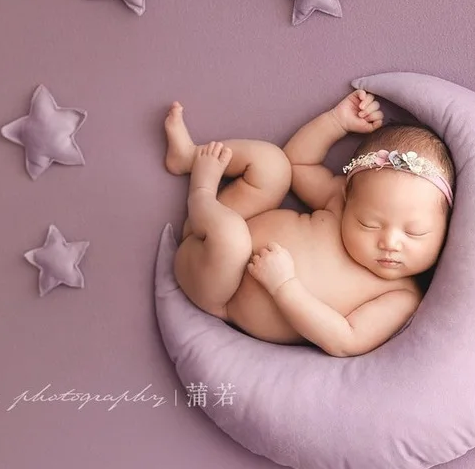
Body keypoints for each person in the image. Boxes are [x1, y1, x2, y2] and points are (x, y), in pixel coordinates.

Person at [164, 89, 455, 357]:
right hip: (226, 224)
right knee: (273, 163)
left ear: (446, 228)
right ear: (347, 195)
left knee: (231, 238)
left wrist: (285, 286)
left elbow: (346, 340)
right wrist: (336, 122)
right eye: (368, 223)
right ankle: (188, 157)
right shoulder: (341, 203)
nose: (390, 242)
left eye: (414, 232)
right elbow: (299, 163)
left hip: (219, 289)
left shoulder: (401, 295)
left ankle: (201, 192)